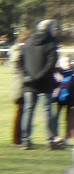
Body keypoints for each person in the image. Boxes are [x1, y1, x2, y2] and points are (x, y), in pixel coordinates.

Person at [20, 19, 63, 150]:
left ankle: (25, 140)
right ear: (50, 29)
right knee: (47, 111)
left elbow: (21, 61)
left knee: (28, 111)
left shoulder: (28, 42)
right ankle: (51, 140)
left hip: (29, 82)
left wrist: (28, 76)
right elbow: (50, 65)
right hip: (45, 83)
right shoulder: (51, 44)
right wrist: (39, 77)